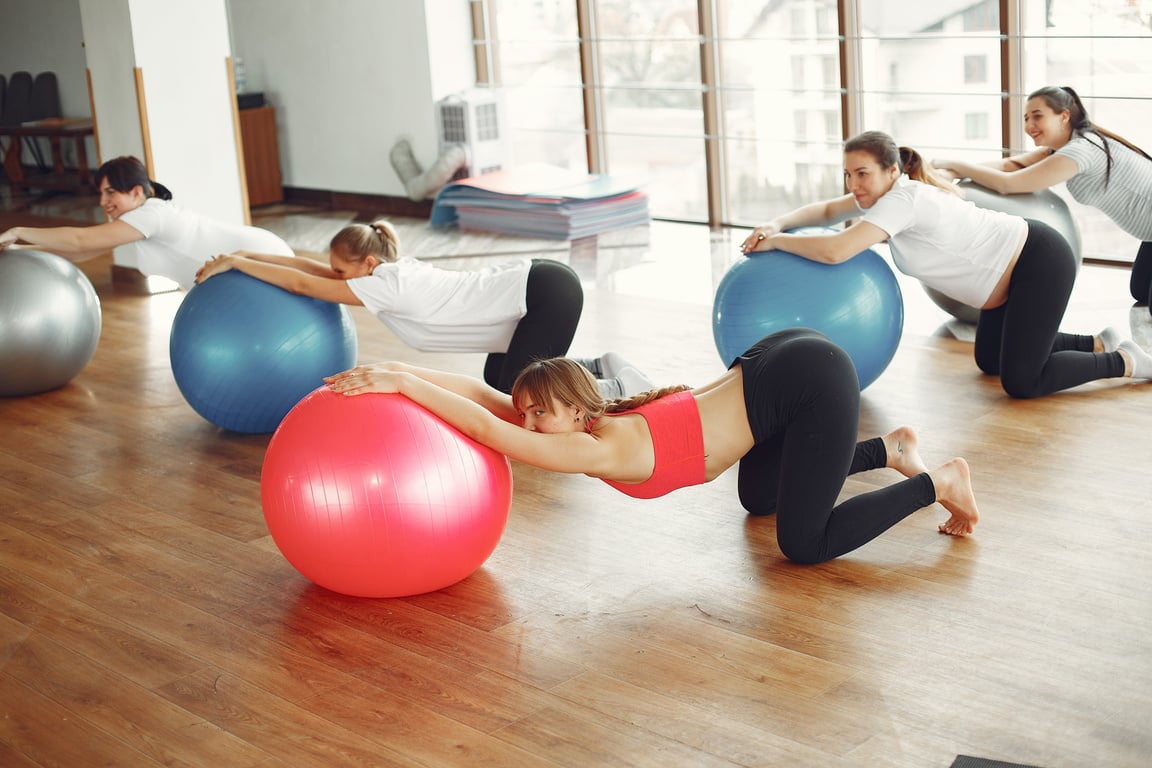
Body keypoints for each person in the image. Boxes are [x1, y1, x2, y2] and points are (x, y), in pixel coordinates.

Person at [323, 328, 980, 565]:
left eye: (537, 416)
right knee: (760, 498)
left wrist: (399, 378)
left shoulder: (597, 446)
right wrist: (394, 375)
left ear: (576, 410)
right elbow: (484, 396)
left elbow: (487, 429)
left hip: (805, 380)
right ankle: (889, 448)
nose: (525, 425)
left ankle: (937, 483)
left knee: (802, 544)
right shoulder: (590, 415)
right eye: (527, 415)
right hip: (777, 364)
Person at [739, 130, 1152, 398]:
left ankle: (1127, 360)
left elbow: (836, 250)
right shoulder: (886, 193)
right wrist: (778, 221)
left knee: (1023, 380)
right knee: (990, 360)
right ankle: (1097, 341)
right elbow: (830, 209)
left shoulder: (904, 199)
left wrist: (776, 243)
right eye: (848, 175)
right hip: (1010, 276)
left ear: (892, 170)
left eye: (861, 173)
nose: (853, 185)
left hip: (1036, 260)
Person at [195, 220, 653, 396]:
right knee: (497, 383)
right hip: (534, 290)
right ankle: (592, 368)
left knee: (522, 395)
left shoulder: (384, 286)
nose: (333, 278)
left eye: (340, 271)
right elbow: (305, 266)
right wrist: (245, 259)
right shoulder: (383, 274)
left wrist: (237, 260)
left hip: (543, 292)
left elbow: (299, 282)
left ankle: (616, 383)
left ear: (367, 264)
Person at [932, 86, 1152, 312]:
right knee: (1141, 291)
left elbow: (1008, 184)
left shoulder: (1079, 151)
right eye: (1026, 118)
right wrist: (954, 172)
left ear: (1064, 116)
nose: (1029, 126)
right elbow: (1009, 166)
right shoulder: (1065, 147)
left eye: (1038, 116)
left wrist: (954, 165)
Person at [0, 155, 293, 290]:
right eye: (101, 194)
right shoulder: (148, 215)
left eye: (110, 192)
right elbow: (80, 252)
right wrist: (19, 251)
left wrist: (17, 231)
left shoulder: (151, 215)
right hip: (252, 262)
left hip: (262, 259)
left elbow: (81, 240)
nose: (103, 202)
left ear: (137, 192)